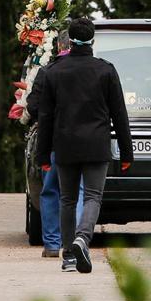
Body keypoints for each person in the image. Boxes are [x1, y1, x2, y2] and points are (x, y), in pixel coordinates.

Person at [36, 18, 133, 274]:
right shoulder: (106, 70)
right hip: (97, 145)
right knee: (92, 196)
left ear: (69, 40)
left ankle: (68, 256)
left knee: (66, 199)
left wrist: (43, 155)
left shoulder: (54, 72)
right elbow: (119, 114)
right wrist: (126, 152)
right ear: (93, 40)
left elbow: (45, 117)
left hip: (65, 146)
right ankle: (83, 238)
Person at [26, 30, 84, 258]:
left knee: (50, 190)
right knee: (76, 191)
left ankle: (51, 244)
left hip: (51, 142)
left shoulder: (46, 72)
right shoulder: (88, 70)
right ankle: (77, 239)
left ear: (59, 46)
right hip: (80, 140)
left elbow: (32, 107)